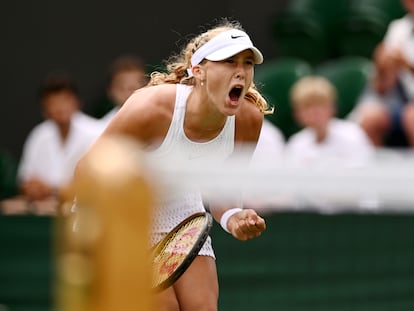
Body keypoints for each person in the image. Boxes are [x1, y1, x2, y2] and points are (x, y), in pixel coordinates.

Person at [74, 18, 269, 311]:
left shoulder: (248, 119)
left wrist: (233, 216)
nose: (240, 71)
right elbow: (88, 171)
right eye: (228, 62)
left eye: (247, 63)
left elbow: (222, 188)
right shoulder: (152, 109)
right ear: (199, 71)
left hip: (180, 207)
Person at [11, 72, 100, 215]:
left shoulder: (95, 133)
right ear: (44, 109)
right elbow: (26, 180)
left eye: (65, 100)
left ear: (77, 102)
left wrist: (53, 189)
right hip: (43, 212)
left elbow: (101, 185)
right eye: (53, 102)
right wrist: (33, 189)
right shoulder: (38, 135)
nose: (60, 107)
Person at [347, 0, 414, 147]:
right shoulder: (398, 28)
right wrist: (382, 68)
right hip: (399, 102)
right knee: (370, 118)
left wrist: (407, 65)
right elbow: (382, 86)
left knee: (412, 117)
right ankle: (375, 169)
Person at [285, 76, 375, 168]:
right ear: (297, 113)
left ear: (332, 107)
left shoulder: (353, 135)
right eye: (307, 107)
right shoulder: (296, 144)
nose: (314, 112)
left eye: (320, 105)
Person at [92, 54, 148, 127]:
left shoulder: (164, 123)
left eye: (139, 84)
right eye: (122, 86)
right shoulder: (99, 131)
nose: (132, 91)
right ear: (110, 90)